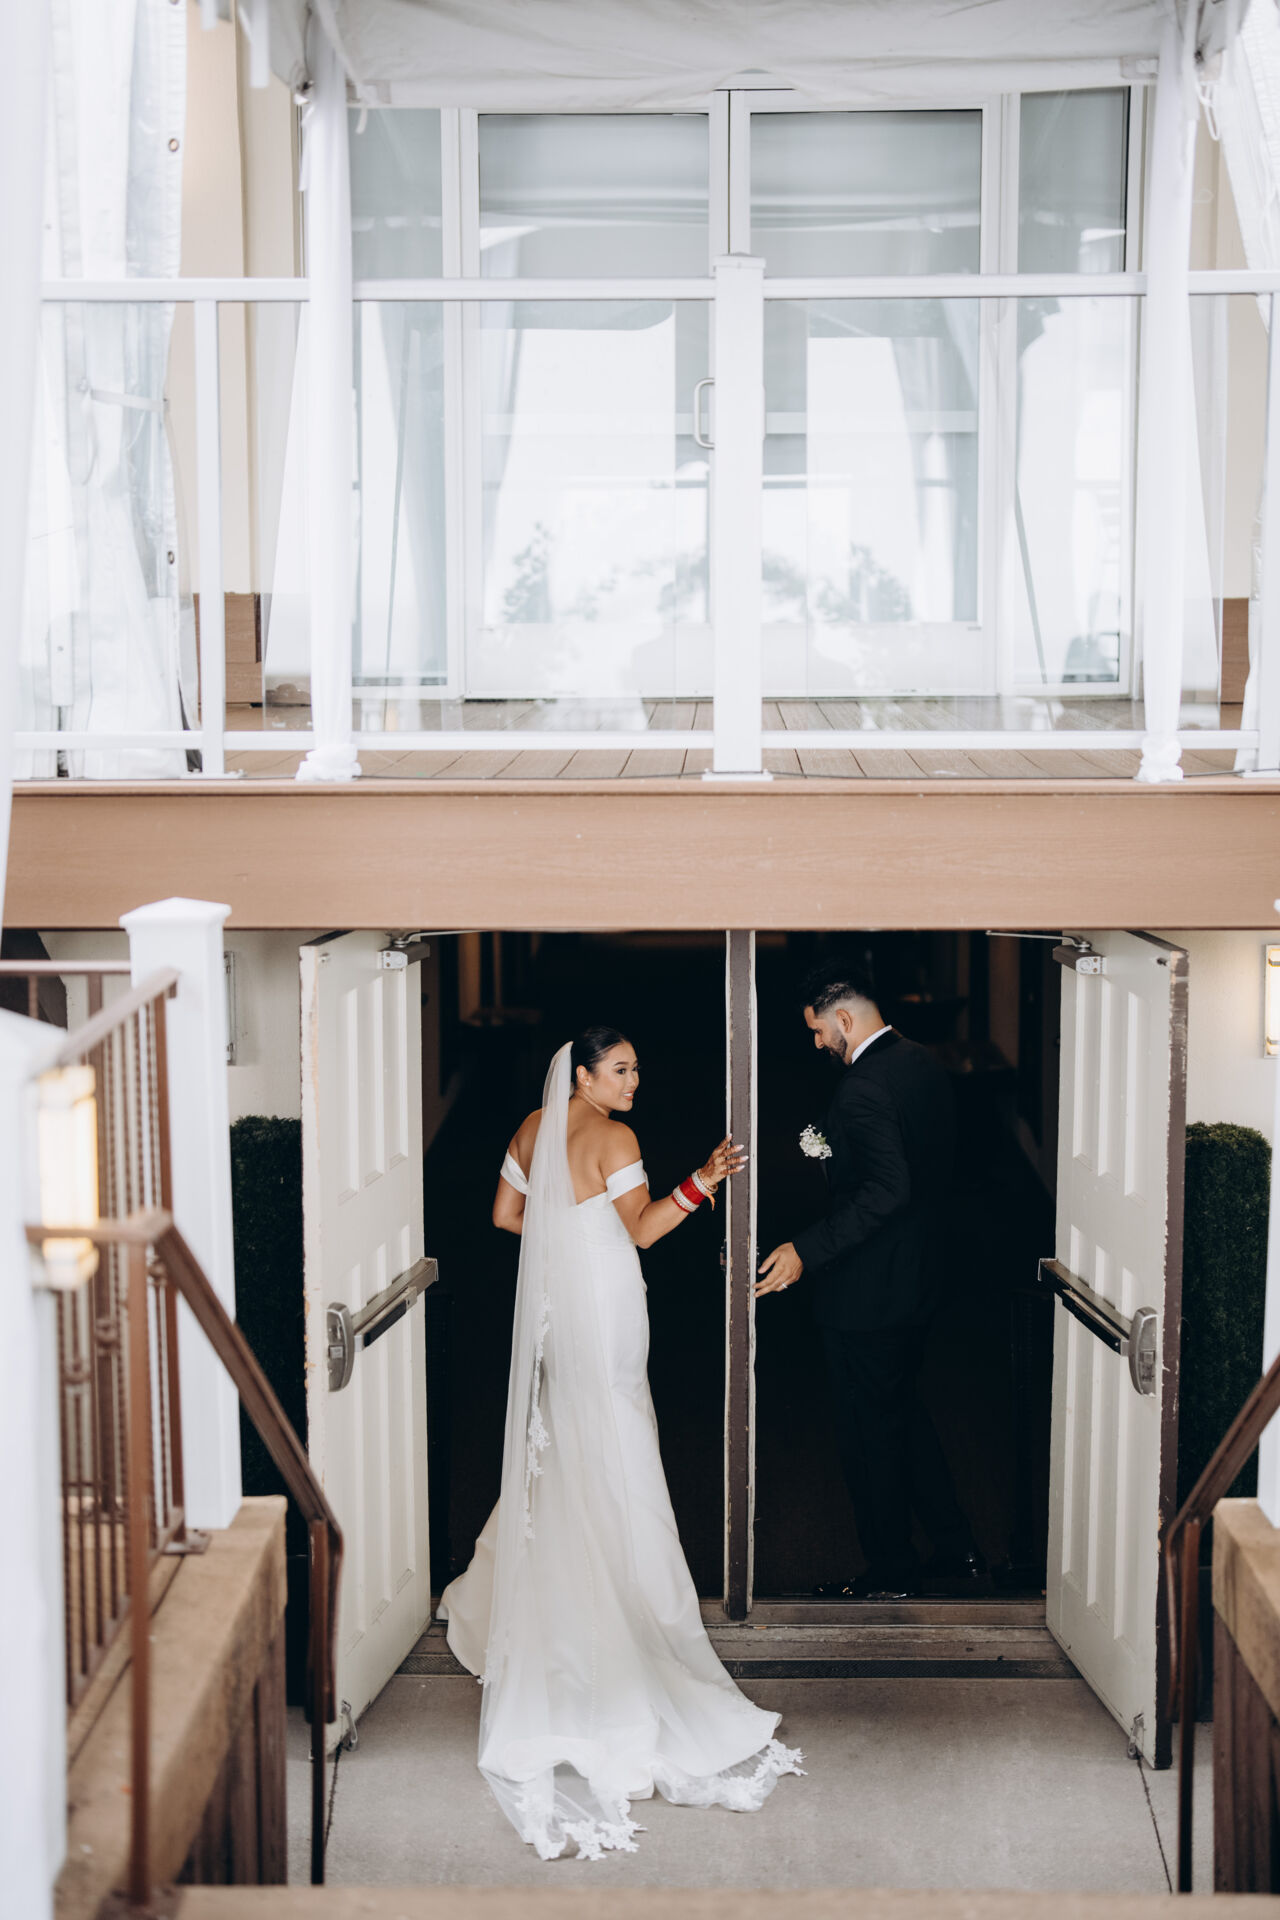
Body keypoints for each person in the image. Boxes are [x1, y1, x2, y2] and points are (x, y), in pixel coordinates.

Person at [439, 1027, 803, 1860]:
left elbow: (505, 1215)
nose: (634, 1081)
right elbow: (642, 1232)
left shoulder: (533, 1127)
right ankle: (624, 1610)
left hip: (556, 1312)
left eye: (636, 1069)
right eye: (621, 1069)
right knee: (617, 1437)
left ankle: (545, 1594)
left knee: (565, 1441)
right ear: (586, 1074)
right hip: (604, 1307)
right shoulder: (616, 1138)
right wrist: (702, 1181)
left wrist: (560, 1242)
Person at [756, 959, 981, 1600]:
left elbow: (887, 1189)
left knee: (869, 1435)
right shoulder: (921, 1062)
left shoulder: (861, 1087)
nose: (817, 1043)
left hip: (870, 1293)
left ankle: (890, 1570)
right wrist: (829, 1155)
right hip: (920, 1275)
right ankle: (956, 1547)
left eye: (818, 1031)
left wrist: (805, 1249)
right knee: (903, 1413)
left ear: (844, 1019)